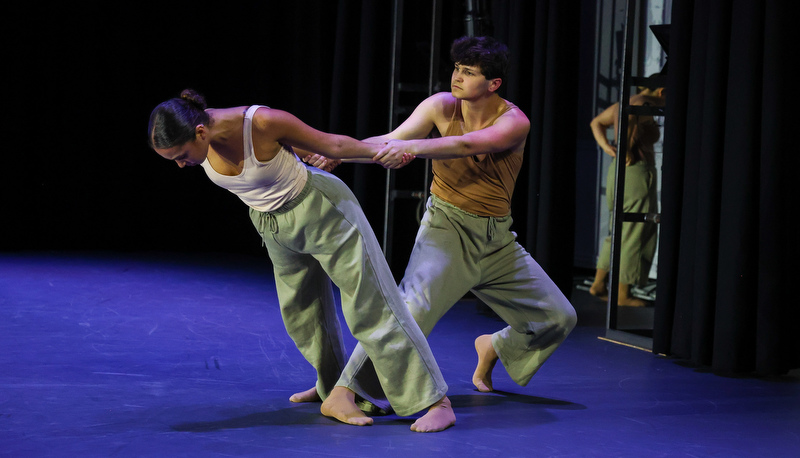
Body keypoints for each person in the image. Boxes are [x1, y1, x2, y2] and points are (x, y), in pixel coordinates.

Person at [147, 89, 455, 432]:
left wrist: (384, 152)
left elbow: (333, 145)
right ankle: (335, 389)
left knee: (371, 306)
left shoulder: (261, 122)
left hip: (322, 211)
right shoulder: (198, 135)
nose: (179, 165)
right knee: (302, 314)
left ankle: (434, 401)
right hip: (273, 225)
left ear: (200, 133)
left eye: (180, 155)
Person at [305, 36, 577, 410]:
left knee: (558, 318)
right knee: (410, 310)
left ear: (493, 84)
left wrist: (413, 150)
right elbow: (391, 140)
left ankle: (494, 346)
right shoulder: (440, 106)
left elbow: (468, 145)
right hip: (447, 228)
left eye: (469, 72)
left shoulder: (515, 122)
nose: (458, 77)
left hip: (497, 239)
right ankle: (345, 391)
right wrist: (343, 156)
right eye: (457, 68)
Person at [588, 81, 665, 306]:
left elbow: (596, 123)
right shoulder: (645, 104)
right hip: (636, 171)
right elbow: (629, 121)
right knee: (634, 231)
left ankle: (598, 284)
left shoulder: (627, 101)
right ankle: (623, 294)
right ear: (662, 91)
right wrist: (624, 149)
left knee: (618, 230)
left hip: (619, 172)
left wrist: (608, 148)